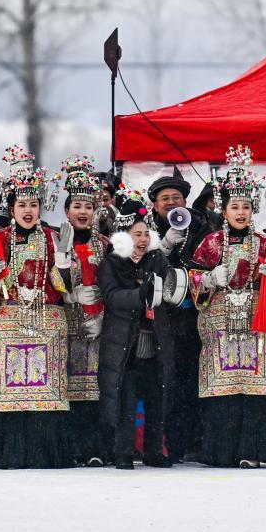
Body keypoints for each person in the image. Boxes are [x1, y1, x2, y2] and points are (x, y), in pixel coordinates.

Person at [0, 146, 73, 469]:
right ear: (11, 206)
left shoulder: (52, 238)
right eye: (22, 204)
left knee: (44, 394)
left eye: (34, 204)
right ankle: (11, 454)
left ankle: (45, 454)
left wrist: (62, 267)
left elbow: (65, 287)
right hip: (10, 322)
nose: (29, 211)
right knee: (11, 395)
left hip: (45, 322)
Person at [189, 147, 266, 468]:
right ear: (224, 210)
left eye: (245, 206)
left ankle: (255, 450)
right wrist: (209, 279)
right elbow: (193, 278)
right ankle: (221, 451)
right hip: (221, 324)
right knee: (225, 390)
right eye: (234, 206)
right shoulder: (210, 242)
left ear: (253, 208)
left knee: (255, 389)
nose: (240, 212)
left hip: (257, 321)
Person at [97, 186, 177, 470]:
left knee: (157, 398)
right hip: (124, 345)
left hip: (155, 342)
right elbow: (112, 297)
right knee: (125, 401)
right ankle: (123, 451)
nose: (142, 239)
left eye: (146, 233)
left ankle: (155, 450)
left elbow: (170, 291)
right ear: (123, 237)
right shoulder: (110, 264)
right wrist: (140, 294)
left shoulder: (158, 260)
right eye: (136, 234)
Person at [148, 166, 211, 461]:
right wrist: (163, 246)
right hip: (163, 319)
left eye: (177, 197)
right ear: (155, 205)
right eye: (164, 199)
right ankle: (170, 443)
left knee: (194, 378)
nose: (171, 203)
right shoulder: (146, 229)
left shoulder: (202, 226)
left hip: (196, 315)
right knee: (168, 380)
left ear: (186, 201)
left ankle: (196, 440)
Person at [58, 156, 109, 466]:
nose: (82, 211)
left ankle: (95, 449)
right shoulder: (53, 241)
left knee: (95, 388)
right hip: (66, 324)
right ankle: (70, 447)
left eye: (88, 206)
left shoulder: (106, 244)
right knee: (69, 386)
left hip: (98, 325)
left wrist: (103, 315)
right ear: (66, 211)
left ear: (96, 211)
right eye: (77, 205)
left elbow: (117, 284)